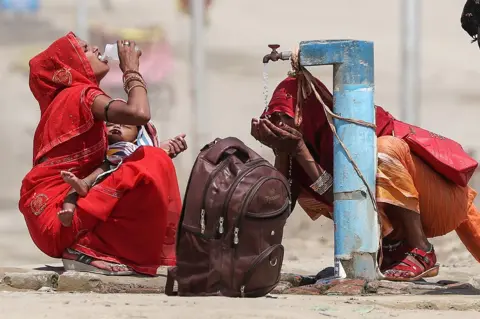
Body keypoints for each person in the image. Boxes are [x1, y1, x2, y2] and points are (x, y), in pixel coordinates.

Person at [251, 74, 480, 281]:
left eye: (284, 116)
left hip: (444, 201)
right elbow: (280, 207)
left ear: (306, 113)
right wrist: (282, 152)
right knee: (308, 191)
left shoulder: (351, 126)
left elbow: (350, 195)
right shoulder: (302, 147)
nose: (278, 125)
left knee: (384, 151)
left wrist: (298, 149)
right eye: (273, 117)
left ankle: (421, 251)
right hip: (419, 207)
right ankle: (389, 251)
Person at [19, 32, 186, 276]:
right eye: (86, 48)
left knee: (152, 160)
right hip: (60, 213)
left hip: (51, 214)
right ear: (72, 64)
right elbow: (139, 113)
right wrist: (131, 70)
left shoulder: (68, 100)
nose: (96, 49)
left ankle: (101, 248)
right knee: (151, 161)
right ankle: (92, 250)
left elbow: (115, 163)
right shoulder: (81, 95)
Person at [58, 122, 187, 227]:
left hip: (126, 210)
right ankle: (68, 213)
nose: (117, 126)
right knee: (74, 190)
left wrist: (162, 149)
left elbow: (151, 156)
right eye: (110, 124)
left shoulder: (141, 153)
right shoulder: (97, 153)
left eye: (126, 126)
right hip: (97, 194)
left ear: (138, 135)